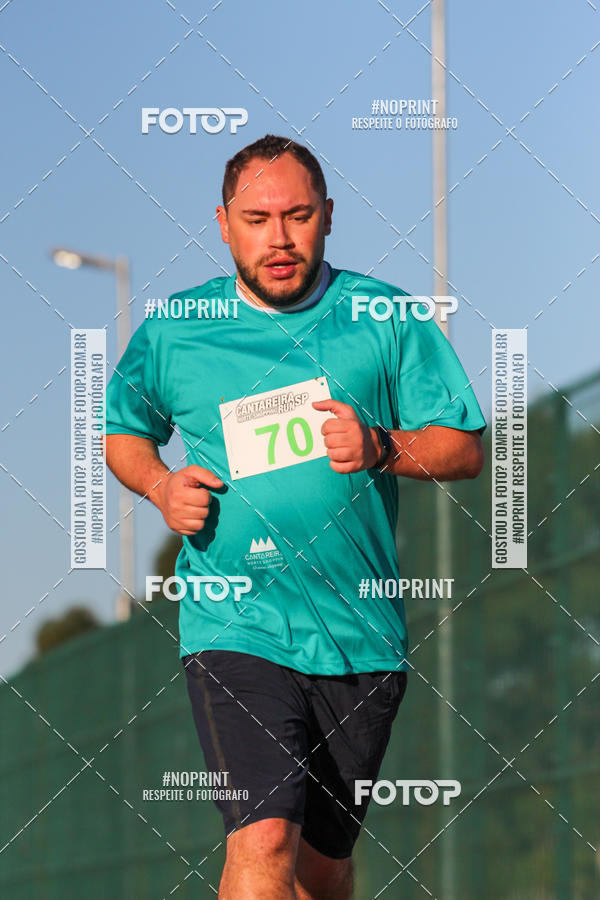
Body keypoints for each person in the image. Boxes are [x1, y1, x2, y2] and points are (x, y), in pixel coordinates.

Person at [104, 134, 485, 899]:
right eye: (256, 218)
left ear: (329, 217)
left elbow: (463, 446)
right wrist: (159, 486)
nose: (278, 238)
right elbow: (124, 432)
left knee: (322, 868)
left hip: (360, 635)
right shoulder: (178, 328)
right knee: (264, 835)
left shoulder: (383, 317)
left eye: (298, 215)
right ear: (222, 222)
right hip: (234, 622)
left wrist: (382, 445)